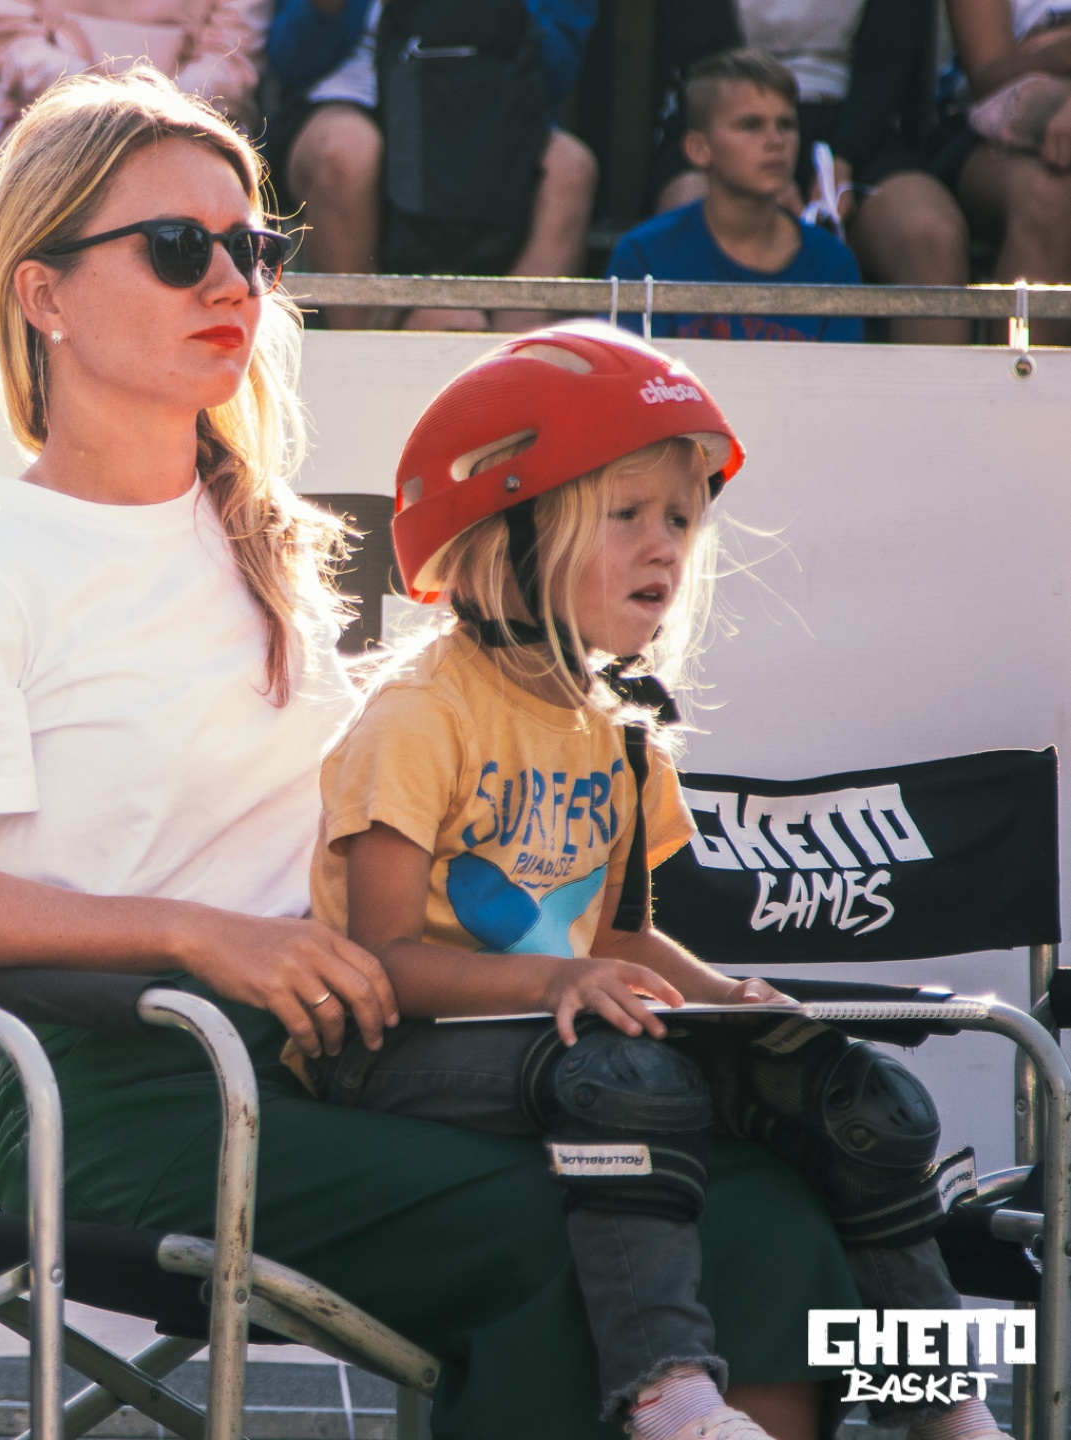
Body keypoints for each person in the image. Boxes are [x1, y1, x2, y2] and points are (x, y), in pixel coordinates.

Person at [0, 67, 877, 1439]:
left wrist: (662, 974)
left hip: (376, 1054)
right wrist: (199, 934)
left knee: (775, 1195)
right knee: (574, 1234)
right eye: (177, 248)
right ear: (44, 295)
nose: (230, 281)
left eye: (250, 247)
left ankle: (943, 1409)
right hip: (139, 1088)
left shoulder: (263, 544)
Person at [300, 322, 998, 1440]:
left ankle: (940, 1404)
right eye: (624, 513)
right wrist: (556, 984)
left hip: (559, 1035)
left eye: (679, 518)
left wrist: (731, 1001)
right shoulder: (417, 717)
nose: (662, 547)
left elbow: (620, 939)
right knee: (630, 1079)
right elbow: (379, 965)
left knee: (854, 1102)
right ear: (507, 536)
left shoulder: (621, 731)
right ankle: (666, 1392)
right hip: (392, 1053)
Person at [645, 0, 970, 345]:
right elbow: (702, 47)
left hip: (852, 119)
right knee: (689, 228)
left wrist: (846, 154)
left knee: (933, 238)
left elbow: (889, 61)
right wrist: (764, 163)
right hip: (726, 112)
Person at [274, 0, 601, 331]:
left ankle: (512, 353)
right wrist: (327, 10)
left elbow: (559, 71)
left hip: (487, 100)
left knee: (571, 167)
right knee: (346, 151)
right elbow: (290, 64)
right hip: (356, 95)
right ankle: (360, 341)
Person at [610, 52, 864, 342]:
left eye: (786, 125)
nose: (776, 141)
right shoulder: (644, 255)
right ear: (698, 148)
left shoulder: (833, 264)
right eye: (751, 125)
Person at [935, 0, 1071, 345]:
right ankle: (1023, 376)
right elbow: (986, 75)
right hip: (987, 135)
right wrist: (1056, 56)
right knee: (1047, 196)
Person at [0, 0, 267, 155]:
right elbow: (10, 43)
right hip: (48, 124)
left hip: (191, 126)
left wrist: (158, 112)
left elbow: (230, 58)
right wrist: (107, 103)